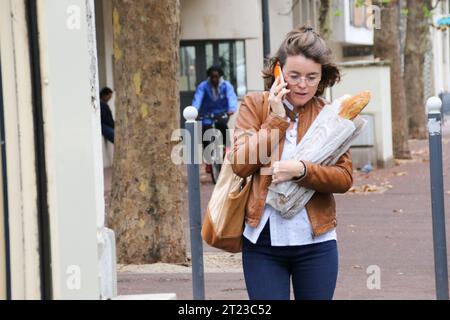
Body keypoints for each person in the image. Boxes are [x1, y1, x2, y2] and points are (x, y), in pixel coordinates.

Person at [230, 25, 353, 300]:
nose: (302, 84)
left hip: (316, 242)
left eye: (312, 77)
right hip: (262, 243)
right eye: (294, 75)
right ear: (278, 71)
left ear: (322, 77)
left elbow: (344, 178)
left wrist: (303, 171)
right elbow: (240, 164)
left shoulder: (330, 115)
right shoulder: (254, 105)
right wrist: (275, 120)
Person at [192, 66, 238, 173]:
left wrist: (231, 109)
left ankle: (228, 153)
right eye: (212, 77)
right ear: (209, 77)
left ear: (220, 77)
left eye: (216, 77)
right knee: (205, 133)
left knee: (223, 127)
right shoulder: (203, 86)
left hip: (221, 114)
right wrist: (195, 111)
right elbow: (197, 99)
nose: (214, 79)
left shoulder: (226, 86)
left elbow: (231, 97)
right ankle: (208, 161)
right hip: (207, 115)